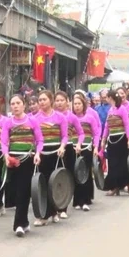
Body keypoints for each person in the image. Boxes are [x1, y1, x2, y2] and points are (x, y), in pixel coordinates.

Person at [0, 95, 43, 237]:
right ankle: (24, 222)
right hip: (12, 160)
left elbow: (40, 140)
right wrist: (6, 156)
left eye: (18, 103)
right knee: (14, 192)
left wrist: (37, 154)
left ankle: (18, 224)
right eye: (12, 104)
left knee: (23, 192)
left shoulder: (32, 121)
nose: (15, 106)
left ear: (23, 105)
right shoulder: (8, 122)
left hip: (27, 160)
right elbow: (4, 142)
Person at [33, 90, 68, 225]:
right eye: (40, 100)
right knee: (42, 183)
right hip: (41, 154)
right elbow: (35, 138)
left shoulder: (60, 117)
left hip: (56, 153)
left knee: (55, 183)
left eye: (44, 99)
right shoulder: (35, 118)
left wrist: (62, 147)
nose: (41, 102)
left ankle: (55, 211)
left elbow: (65, 136)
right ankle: (43, 215)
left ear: (51, 100)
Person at [54, 91, 84, 219]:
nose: (59, 103)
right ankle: (53, 207)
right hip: (55, 149)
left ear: (67, 102)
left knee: (66, 177)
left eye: (62, 100)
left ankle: (63, 207)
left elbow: (81, 133)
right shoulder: (52, 116)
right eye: (57, 100)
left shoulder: (72, 117)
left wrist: (78, 144)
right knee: (54, 179)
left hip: (69, 150)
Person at [100, 89, 129, 196]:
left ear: (110, 98)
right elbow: (106, 126)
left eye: (106, 97)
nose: (106, 99)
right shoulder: (110, 110)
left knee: (122, 164)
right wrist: (104, 139)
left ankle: (127, 182)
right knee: (112, 164)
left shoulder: (122, 109)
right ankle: (114, 186)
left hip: (121, 139)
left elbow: (127, 124)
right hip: (112, 140)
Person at [71, 93, 100, 211]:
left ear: (84, 105)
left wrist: (96, 147)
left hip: (87, 148)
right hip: (73, 149)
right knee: (75, 174)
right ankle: (77, 200)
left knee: (85, 174)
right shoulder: (70, 118)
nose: (77, 106)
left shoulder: (90, 118)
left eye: (79, 104)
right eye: (75, 104)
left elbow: (96, 133)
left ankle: (85, 199)